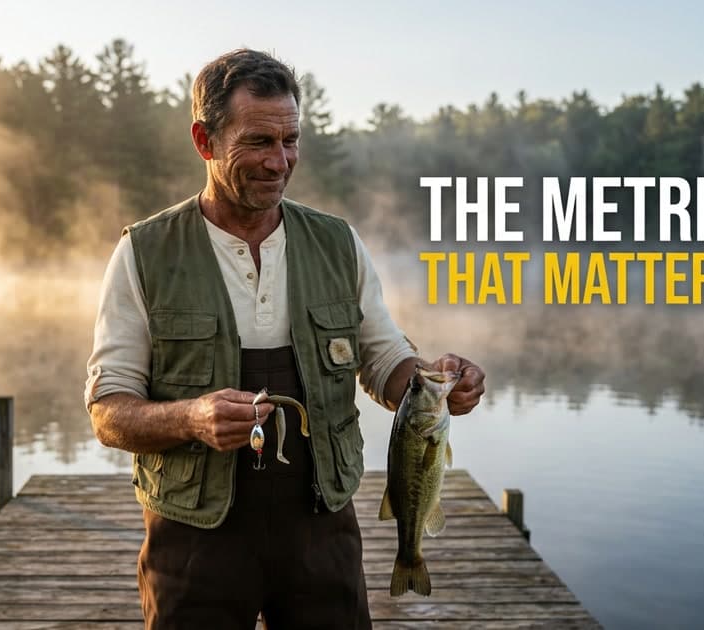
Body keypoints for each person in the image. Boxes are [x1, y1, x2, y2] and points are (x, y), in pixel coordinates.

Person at [85, 48, 486, 630]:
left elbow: (385, 361)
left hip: (321, 529)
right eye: (258, 142)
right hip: (194, 540)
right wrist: (192, 418)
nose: (280, 161)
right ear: (205, 140)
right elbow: (108, 413)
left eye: (290, 140)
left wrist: (435, 381)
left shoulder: (337, 243)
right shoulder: (144, 254)